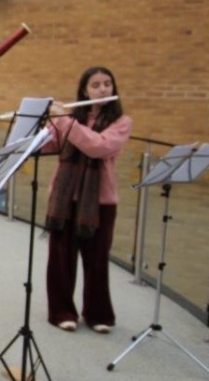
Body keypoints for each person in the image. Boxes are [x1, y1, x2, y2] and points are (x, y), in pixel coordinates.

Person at [42, 66, 133, 334]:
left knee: (97, 260)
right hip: (64, 198)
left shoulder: (121, 122)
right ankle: (61, 311)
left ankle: (98, 314)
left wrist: (65, 122)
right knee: (60, 259)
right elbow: (50, 146)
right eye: (96, 85)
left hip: (100, 203)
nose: (103, 89)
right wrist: (45, 124)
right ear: (84, 90)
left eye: (107, 84)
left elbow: (98, 146)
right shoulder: (71, 118)